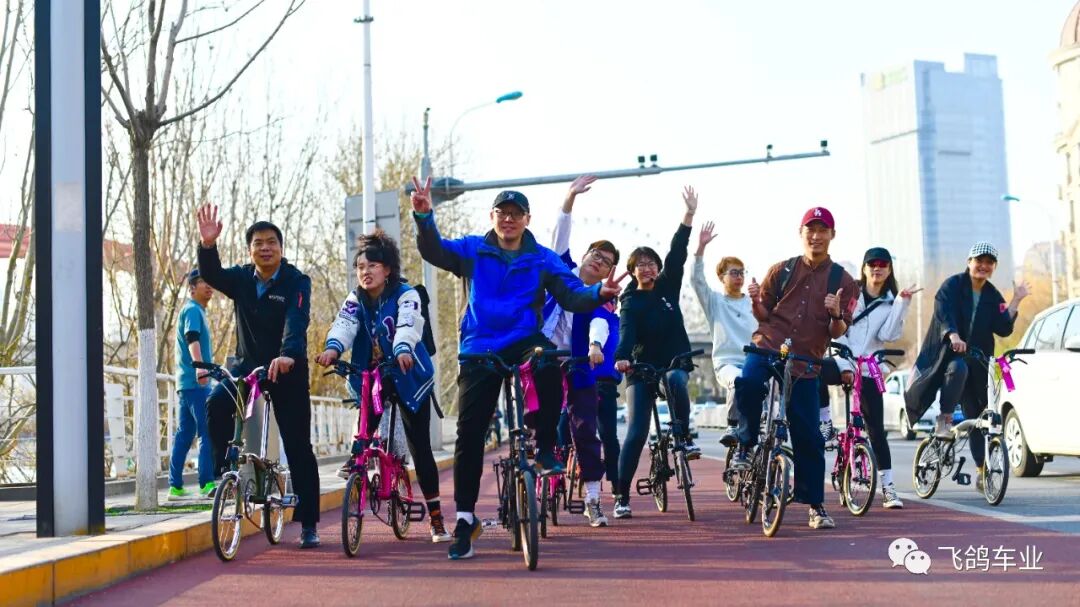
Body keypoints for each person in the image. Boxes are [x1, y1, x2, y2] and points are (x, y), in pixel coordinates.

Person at [410, 177, 621, 560]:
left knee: (546, 357)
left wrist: (596, 294)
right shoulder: (474, 249)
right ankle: (464, 519)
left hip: (524, 338)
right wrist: (424, 218)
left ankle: (543, 447)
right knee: (469, 435)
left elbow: (572, 293)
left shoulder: (541, 257)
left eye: (516, 214)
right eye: (502, 213)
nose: (508, 219)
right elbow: (436, 251)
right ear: (492, 216)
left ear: (526, 218)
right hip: (480, 345)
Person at [195, 204, 322, 549]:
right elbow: (213, 273)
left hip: (287, 369)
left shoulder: (296, 281)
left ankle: (309, 522)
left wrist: (287, 354)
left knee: (298, 447)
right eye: (258, 243)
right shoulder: (240, 279)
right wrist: (208, 245)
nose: (265, 248)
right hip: (246, 368)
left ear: (281, 248)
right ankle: (227, 475)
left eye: (271, 242)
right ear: (250, 250)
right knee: (217, 404)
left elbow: (297, 320)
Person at [315, 230, 450, 543]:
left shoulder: (407, 294)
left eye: (372, 265)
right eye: (360, 266)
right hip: (373, 375)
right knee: (366, 412)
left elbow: (408, 323)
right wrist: (332, 349)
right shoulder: (356, 299)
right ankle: (358, 454)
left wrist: (403, 348)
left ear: (387, 269)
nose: (365, 271)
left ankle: (436, 519)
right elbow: (345, 324)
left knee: (421, 449)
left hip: (409, 375)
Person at [730, 206, 857, 530]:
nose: (816, 236)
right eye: (810, 230)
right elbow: (763, 314)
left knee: (809, 436)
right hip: (769, 345)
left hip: (806, 361)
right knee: (748, 382)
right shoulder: (781, 270)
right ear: (801, 234)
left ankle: (815, 506)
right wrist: (756, 299)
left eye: (822, 230)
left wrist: (835, 313)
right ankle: (745, 443)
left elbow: (837, 332)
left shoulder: (843, 281)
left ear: (832, 235)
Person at [905, 242, 1029, 493]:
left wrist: (1016, 299)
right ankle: (945, 419)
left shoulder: (993, 295)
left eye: (989, 263)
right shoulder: (952, 285)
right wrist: (952, 336)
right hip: (948, 355)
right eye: (979, 261)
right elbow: (944, 312)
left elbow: (1003, 327)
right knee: (958, 368)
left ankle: (983, 473)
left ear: (993, 267)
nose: (983, 266)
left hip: (979, 361)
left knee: (979, 418)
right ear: (969, 261)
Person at [613, 186, 702, 520]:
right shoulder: (631, 301)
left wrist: (688, 216)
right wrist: (622, 358)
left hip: (673, 360)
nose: (648, 268)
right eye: (641, 265)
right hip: (641, 369)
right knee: (636, 431)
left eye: (651, 263)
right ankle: (621, 495)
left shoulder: (667, 286)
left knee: (678, 379)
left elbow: (677, 253)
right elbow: (625, 334)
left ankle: (683, 435)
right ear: (633, 270)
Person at [541, 175, 624, 527]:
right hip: (542, 357)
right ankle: (536, 484)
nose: (597, 262)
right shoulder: (562, 270)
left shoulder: (601, 296)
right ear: (585, 256)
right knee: (538, 424)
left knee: (585, 429)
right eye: (595, 255)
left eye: (606, 262)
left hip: (578, 363)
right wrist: (569, 198)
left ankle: (593, 497)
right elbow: (559, 235)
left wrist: (594, 347)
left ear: (609, 273)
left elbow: (599, 324)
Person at [831, 247, 918, 509]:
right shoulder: (850, 294)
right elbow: (838, 329)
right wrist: (843, 359)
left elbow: (889, 335)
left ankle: (888, 488)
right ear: (864, 268)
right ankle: (825, 425)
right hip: (843, 360)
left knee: (876, 430)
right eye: (872, 264)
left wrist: (903, 303)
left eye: (882, 264)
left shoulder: (891, 301)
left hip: (869, 368)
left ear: (889, 269)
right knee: (812, 373)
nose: (877, 268)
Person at [691, 221, 757, 448]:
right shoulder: (715, 303)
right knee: (739, 381)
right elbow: (696, 280)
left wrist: (760, 300)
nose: (739, 277)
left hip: (753, 362)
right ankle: (732, 424)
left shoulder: (752, 303)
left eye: (742, 272)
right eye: (734, 273)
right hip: (727, 363)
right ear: (721, 277)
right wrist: (700, 249)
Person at [168, 268, 216, 500]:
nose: (209, 286)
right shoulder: (193, 310)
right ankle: (207, 483)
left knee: (185, 433)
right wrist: (200, 366)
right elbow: (191, 338)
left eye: (210, 283)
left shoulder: (194, 310)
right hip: (197, 382)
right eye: (203, 282)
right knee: (207, 432)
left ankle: (175, 486)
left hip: (185, 382)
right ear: (192, 288)